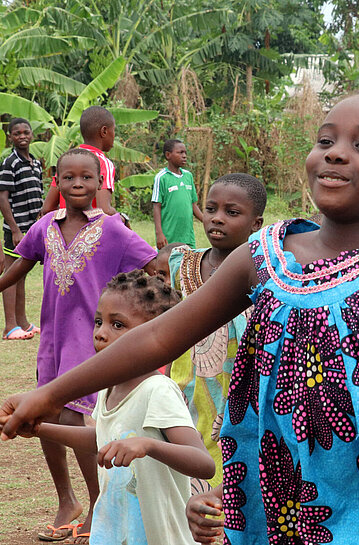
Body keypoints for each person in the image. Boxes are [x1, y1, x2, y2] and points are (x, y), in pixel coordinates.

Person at [6, 89, 359, 545]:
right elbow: (157, 340)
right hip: (285, 506)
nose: (334, 154)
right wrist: (50, 395)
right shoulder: (263, 259)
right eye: (326, 140)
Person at [0, 148, 156, 543]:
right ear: (57, 180)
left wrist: (135, 319)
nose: (77, 184)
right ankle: (66, 500)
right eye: (68, 178)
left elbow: (151, 266)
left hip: (92, 341)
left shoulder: (114, 229)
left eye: (86, 178)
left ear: (99, 182)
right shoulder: (43, 227)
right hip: (51, 341)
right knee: (43, 419)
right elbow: (18, 267)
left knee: (74, 418)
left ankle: (97, 499)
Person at [10, 270, 215, 545]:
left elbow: (203, 464)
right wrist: (39, 429)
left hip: (160, 536)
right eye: (98, 322)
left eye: (117, 325)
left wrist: (148, 446)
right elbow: (102, 439)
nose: (101, 334)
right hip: (115, 531)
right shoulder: (110, 387)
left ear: (156, 334)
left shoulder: (158, 390)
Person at [167, 173, 265, 495]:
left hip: (241, 398)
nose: (217, 219)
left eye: (232, 213)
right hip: (187, 395)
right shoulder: (183, 265)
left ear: (256, 223)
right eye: (211, 209)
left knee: (236, 481)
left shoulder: (266, 273)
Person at [41, 107, 128, 225]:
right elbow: (104, 211)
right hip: (92, 236)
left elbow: (47, 209)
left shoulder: (67, 161)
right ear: (104, 131)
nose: (114, 136)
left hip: (66, 234)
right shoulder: (102, 162)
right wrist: (123, 218)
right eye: (114, 130)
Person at [0, 117, 43, 340]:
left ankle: (22, 322)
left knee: (21, 275)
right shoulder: (10, 163)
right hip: (16, 230)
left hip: (31, 229)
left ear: (32, 134)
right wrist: (15, 229)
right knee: (11, 274)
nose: (22, 136)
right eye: (17, 133)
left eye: (26, 132)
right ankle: (9, 326)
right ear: (10, 137)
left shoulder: (35, 163)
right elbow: (3, 198)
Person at [152, 139, 203, 249]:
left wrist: (206, 220)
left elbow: (193, 205)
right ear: (168, 155)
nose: (184, 156)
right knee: (167, 264)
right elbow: (156, 206)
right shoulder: (162, 177)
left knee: (188, 264)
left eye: (185, 153)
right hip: (169, 237)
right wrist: (159, 234)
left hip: (188, 238)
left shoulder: (188, 176)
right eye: (180, 153)